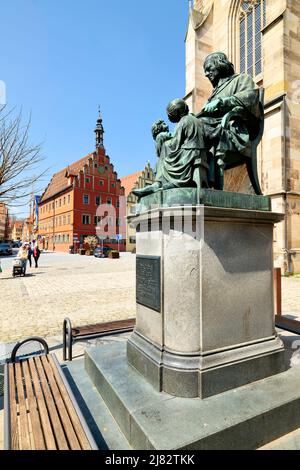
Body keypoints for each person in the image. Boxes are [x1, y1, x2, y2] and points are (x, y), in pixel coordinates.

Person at [197, 51, 261, 189]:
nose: (206, 74)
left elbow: (250, 98)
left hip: (234, 130)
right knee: (190, 127)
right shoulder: (214, 93)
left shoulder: (241, 79)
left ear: (220, 65)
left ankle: (205, 183)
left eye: (209, 69)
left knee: (197, 127)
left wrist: (221, 102)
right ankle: (187, 180)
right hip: (213, 128)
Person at [132, 99, 208, 197]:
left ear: (177, 112)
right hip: (198, 152)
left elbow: (175, 144)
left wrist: (164, 140)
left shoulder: (184, 121)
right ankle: (158, 183)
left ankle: (158, 183)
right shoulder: (194, 120)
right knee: (165, 150)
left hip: (190, 153)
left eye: (171, 114)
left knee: (165, 147)